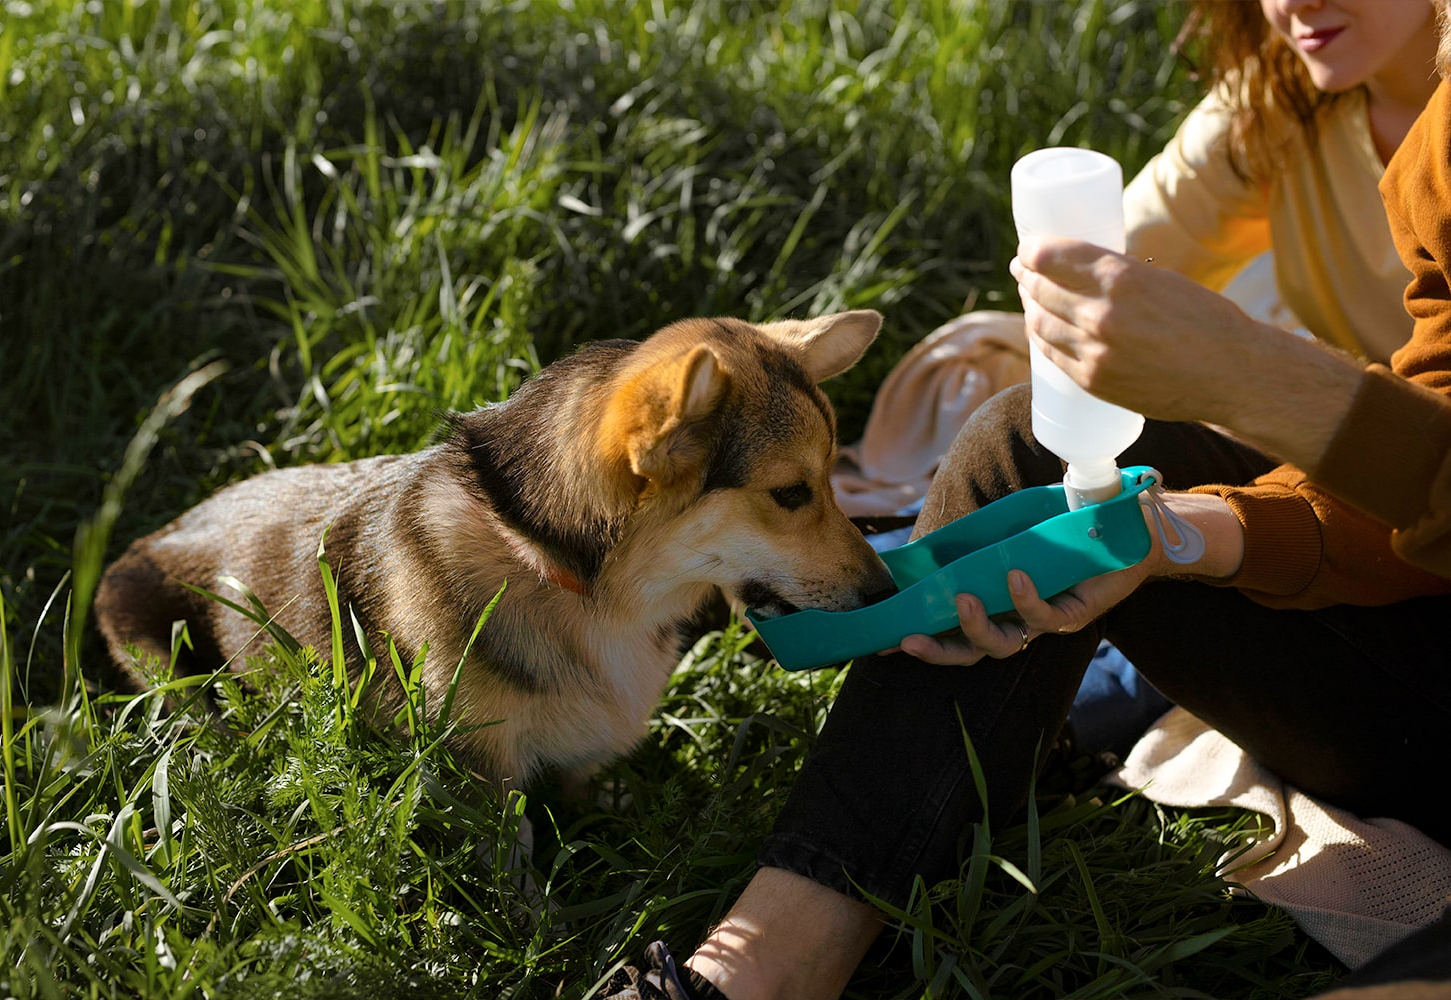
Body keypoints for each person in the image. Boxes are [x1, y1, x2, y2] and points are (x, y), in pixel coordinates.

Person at [601, 1, 1451, 997]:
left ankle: (1017, 740)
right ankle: (760, 969)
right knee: (1030, 445)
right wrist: (1174, 532)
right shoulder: (1378, 137)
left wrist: (1256, 376)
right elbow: (1416, 485)